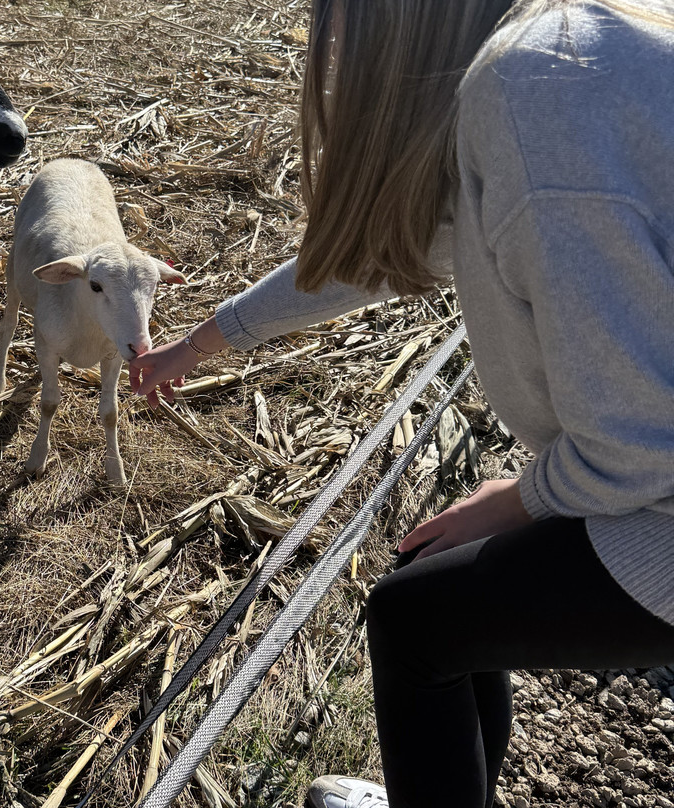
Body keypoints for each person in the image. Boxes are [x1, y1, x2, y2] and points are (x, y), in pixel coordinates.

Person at [127, 1, 674, 807]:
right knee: (438, 591)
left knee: (414, 620)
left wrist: (522, 498)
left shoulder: (536, 85)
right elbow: (377, 256)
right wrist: (200, 344)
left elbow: (638, 445)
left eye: (334, 12)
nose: (329, 38)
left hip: (660, 500)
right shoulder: (556, 60)